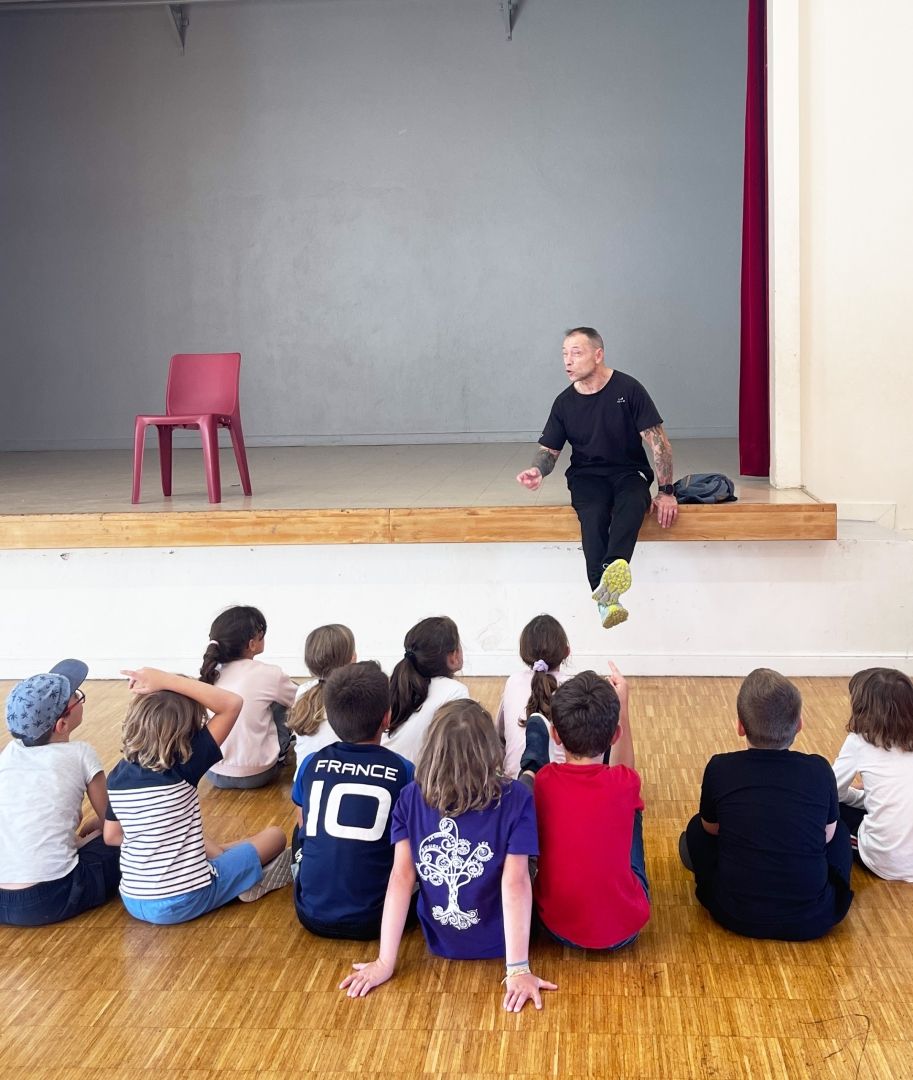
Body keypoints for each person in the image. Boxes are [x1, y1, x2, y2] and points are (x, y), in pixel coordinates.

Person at [340, 700, 557, 1012]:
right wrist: (518, 969)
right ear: (491, 753)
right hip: (501, 942)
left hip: (440, 941)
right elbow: (515, 884)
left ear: (431, 751)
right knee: (529, 785)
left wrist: (385, 961)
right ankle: (534, 758)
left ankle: (533, 761)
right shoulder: (515, 799)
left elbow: (401, 878)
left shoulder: (410, 797)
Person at [517, 326, 678, 629]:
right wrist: (537, 469)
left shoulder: (628, 390)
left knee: (632, 503)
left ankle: (607, 592)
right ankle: (605, 597)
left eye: (576, 353)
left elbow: (659, 442)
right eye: (564, 354)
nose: (568, 361)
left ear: (598, 354)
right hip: (587, 475)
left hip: (628, 471)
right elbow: (549, 450)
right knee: (592, 515)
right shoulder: (564, 403)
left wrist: (666, 491)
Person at [104, 667, 292, 925]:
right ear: (189, 730)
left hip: (134, 900)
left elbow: (112, 836)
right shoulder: (184, 765)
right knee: (276, 837)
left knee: (203, 842)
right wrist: (166, 680)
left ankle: (229, 863)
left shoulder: (116, 776)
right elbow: (232, 703)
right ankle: (243, 880)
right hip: (185, 899)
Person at [679, 668, 854, 941]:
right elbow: (827, 835)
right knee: (840, 831)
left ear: (740, 726)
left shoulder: (720, 768)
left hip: (734, 912)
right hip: (812, 918)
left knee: (696, 828)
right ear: (799, 724)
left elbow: (711, 829)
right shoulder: (819, 770)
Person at [519, 665, 650, 951]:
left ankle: (533, 744)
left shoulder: (543, 781)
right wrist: (623, 705)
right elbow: (625, 770)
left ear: (556, 735)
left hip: (555, 926)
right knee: (633, 808)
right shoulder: (625, 782)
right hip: (623, 931)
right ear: (615, 736)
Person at [292, 661, 413, 939]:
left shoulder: (311, 763)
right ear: (387, 717)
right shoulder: (404, 770)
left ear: (331, 718)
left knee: (301, 827)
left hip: (310, 915)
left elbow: (304, 822)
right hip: (378, 918)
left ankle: (304, 872)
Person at [0, 660, 121, 926]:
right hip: (51, 897)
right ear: (62, 725)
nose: (79, 696)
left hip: (2, 898)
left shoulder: (7, 755)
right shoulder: (81, 754)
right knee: (126, 843)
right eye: (77, 697)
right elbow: (114, 825)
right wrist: (100, 827)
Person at [200, 605, 298, 789]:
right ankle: (281, 753)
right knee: (280, 703)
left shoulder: (209, 673)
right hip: (260, 773)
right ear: (252, 644)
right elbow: (300, 699)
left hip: (212, 772)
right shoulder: (270, 674)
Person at [832, 668, 913, 881]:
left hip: (883, 861)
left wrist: (858, 795)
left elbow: (832, 793)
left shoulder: (860, 741)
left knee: (830, 810)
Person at [381, 616, 469, 763]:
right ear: (453, 656)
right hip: (419, 782)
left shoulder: (401, 684)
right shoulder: (455, 692)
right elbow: (458, 755)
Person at [497, 614, 572, 778]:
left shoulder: (513, 681)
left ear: (524, 653)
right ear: (567, 651)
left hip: (515, 785)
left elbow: (500, 737)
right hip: (560, 788)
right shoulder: (574, 686)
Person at [288, 623, 356, 762]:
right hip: (343, 779)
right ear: (352, 659)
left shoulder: (303, 690)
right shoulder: (356, 694)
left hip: (305, 779)